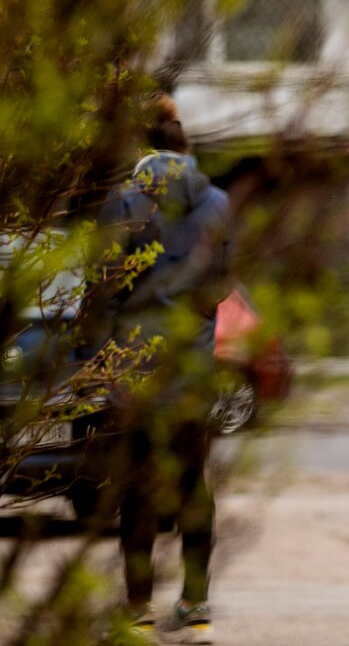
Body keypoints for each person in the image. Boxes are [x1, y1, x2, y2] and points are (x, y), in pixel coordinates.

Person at [95, 92, 231, 644]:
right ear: (184, 140)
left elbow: (102, 291)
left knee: (138, 490)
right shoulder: (218, 203)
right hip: (192, 366)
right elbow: (220, 285)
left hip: (135, 369)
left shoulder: (124, 202)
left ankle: (136, 612)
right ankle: (196, 609)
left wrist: (101, 361)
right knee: (193, 482)